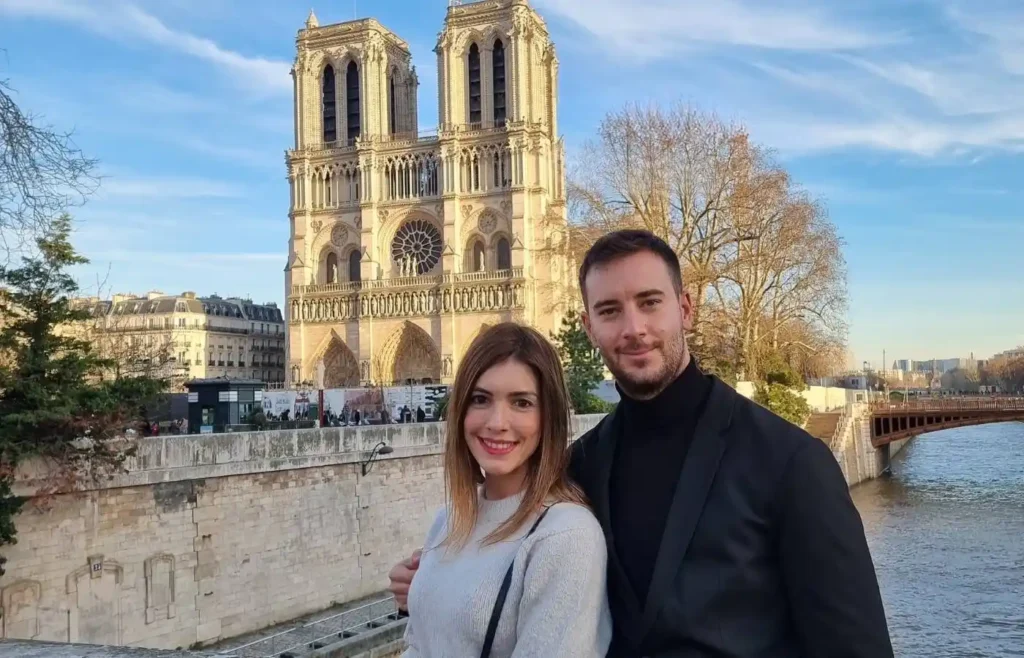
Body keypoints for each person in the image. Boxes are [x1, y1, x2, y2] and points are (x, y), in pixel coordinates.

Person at [391, 230, 893, 657]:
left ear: (686, 308)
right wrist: (434, 579)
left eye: (649, 303)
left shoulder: (789, 462)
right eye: (610, 310)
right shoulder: (582, 466)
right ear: (589, 327)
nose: (633, 329)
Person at [400, 322, 611, 657]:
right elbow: (417, 645)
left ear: (549, 417)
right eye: (480, 399)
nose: (497, 422)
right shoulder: (449, 520)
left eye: (521, 403)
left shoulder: (565, 537)